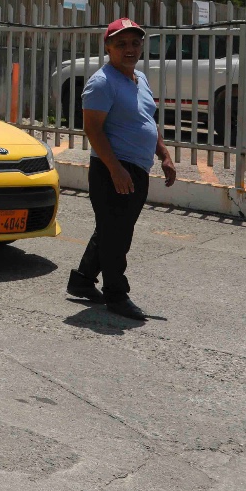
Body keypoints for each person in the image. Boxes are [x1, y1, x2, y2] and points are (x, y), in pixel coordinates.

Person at [66, 18, 177, 321]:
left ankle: (83, 281)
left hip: (135, 167)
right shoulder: (102, 82)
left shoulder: (138, 78)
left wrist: (164, 155)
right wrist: (115, 169)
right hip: (111, 169)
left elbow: (147, 119)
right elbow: (93, 130)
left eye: (135, 43)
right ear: (108, 47)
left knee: (111, 229)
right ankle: (117, 294)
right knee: (118, 235)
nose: (130, 49)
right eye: (121, 44)